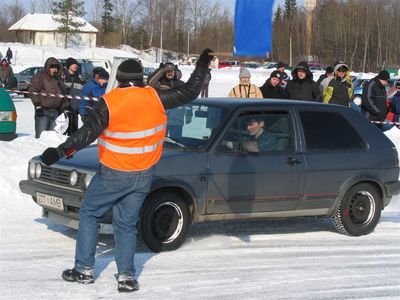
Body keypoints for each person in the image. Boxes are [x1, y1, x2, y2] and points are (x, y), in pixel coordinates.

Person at [39, 48, 213, 293]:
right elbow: (191, 91)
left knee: (89, 213)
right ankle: (127, 277)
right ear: (141, 79)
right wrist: (203, 63)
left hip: (114, 173)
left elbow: (85, 133)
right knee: (126, 224)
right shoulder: (155, 97)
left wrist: (59, 151)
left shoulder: (110, 102)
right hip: (144, 175)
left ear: (118, 80)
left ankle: (83, 270)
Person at [148, 62, 192, 140]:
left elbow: (188, 100)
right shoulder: (159, 84)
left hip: (177, 121)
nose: (170, 73)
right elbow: (150, 83)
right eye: (167, 71)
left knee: (176, 144)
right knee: (161, 144)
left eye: (171, 71)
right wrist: (161, 70)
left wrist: (189, 115)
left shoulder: (181, 85)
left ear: (175, 72)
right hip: (161, 121)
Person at [29, 57, 66, 138]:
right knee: (41, 137)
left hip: (56, 112)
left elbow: (63, 94)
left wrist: (64, 107)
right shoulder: (40, 76)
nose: (54, 70)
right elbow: (32, 91)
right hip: (43, 112)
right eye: (52, 67)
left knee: (53, 138)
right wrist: (37, 105)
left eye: (56, 67)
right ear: (48, 67)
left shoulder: (59, 79)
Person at [63, 57, 86, 135]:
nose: (75, 66)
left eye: (76, 64)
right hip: (64, 109)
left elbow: (84, 93)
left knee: (74, 133)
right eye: (73, 64)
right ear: (69, 65)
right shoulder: (63, 77)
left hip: (75, 109)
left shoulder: (81, 78)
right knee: (61, 134)